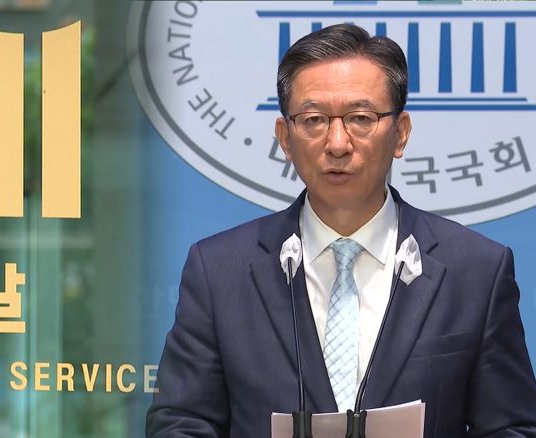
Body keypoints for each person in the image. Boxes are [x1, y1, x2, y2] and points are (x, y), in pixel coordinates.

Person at [146, 23, 536, 437]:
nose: (336, 143)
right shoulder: (220, 271)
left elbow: (512, 428)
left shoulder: (475, 270)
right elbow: (180, 424)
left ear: (400, 133)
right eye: (313, 119)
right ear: (285, 137)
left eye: (360, 118)